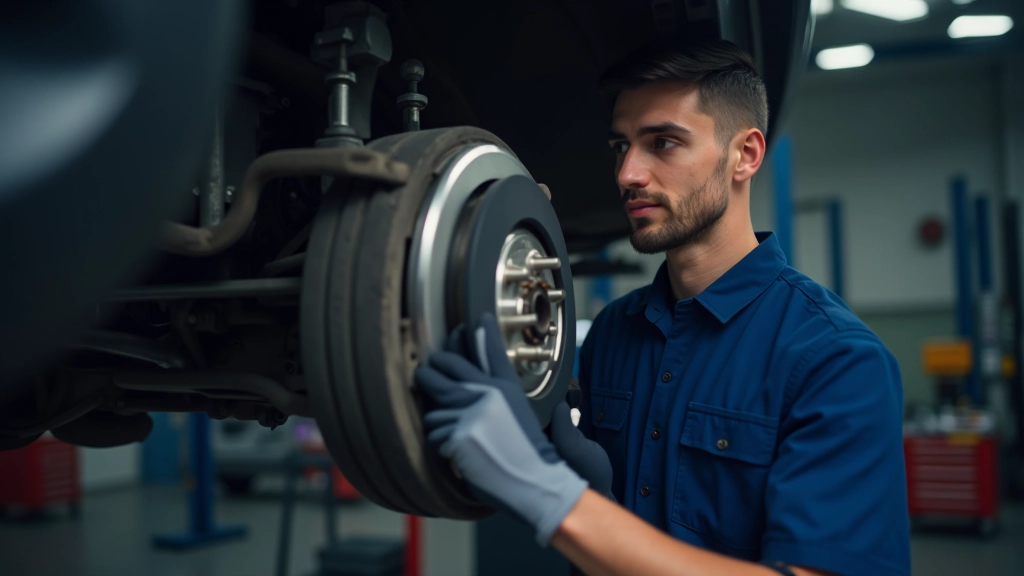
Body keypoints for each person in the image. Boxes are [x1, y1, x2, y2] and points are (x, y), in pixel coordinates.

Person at [414, 39, 910, 576]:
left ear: (745, 155)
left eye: (664, 143)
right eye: (620, 147)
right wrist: (584, 483)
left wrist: (553, 498)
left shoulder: (837, 361)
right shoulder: (613, 331)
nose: (628, 174)